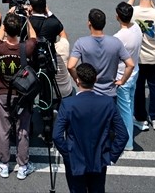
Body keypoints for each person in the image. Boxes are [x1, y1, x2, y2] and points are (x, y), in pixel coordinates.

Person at [52, 62, 128, 193]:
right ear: (95, 80)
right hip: (99, 160)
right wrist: (111, 156)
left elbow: (57, 136)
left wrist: (69, 155)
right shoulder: (107, 103)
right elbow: (123, 135)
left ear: (77, 81)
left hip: (75, 161)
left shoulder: (68, 104)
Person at [0, 10, 37, 180]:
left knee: (3, 129)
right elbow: (33, 36)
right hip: (23, 93)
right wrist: (26, 18)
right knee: (22, 128)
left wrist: (6, 18)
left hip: (3, 92)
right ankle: (23, 165)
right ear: (19, 30)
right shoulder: (26, 48)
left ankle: (4, 164)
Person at [127, 0, 155, 132]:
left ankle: (140, 117)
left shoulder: (133, 12)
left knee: (139, 87)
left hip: (139, 57)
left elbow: (124, 9)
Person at [69, 8, 135, 96]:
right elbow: (130, 65)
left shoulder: (81, 43)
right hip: (110, 93)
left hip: (89, 92)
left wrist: (77, 79)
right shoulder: (116, 42)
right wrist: (122, 81)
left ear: (89, 23)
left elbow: (71, 66)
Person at [111, 2, 141, 153]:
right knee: (130, 105)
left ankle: (127, 142)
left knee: (124, 112)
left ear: (117, 16)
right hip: (134, 71)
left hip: (122, 76)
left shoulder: (118, 37)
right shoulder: (136, 27)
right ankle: (128, 133)